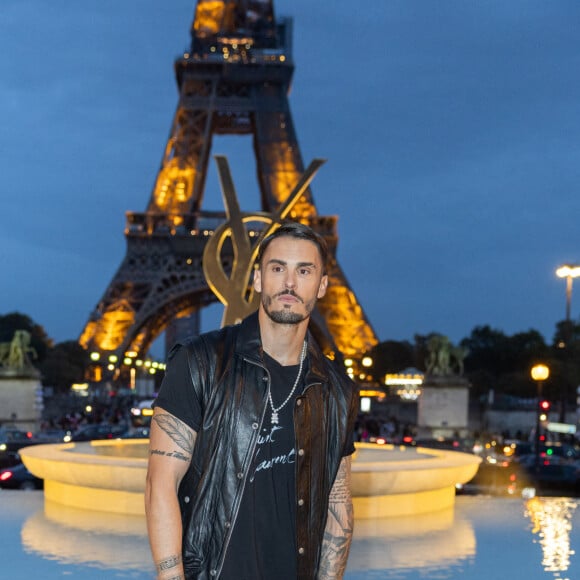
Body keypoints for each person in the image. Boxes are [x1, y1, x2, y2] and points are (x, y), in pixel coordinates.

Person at [145, 221, 358, 580]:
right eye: (278, 268)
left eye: (303, 271)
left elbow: (337, 503)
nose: (289, 283)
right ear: (258, 278)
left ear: (322, 285)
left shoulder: (338, 390)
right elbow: (160, 483)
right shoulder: (200, 362)